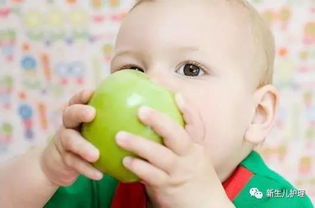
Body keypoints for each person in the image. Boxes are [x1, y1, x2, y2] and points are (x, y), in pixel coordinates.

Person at [0, 0, 313, 207]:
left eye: (191, 69)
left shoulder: (278, 197)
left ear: (257, 115)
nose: (151, 84)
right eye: (133, 70)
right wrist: (45, 168)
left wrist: (198, 196)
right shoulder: (100, 183)